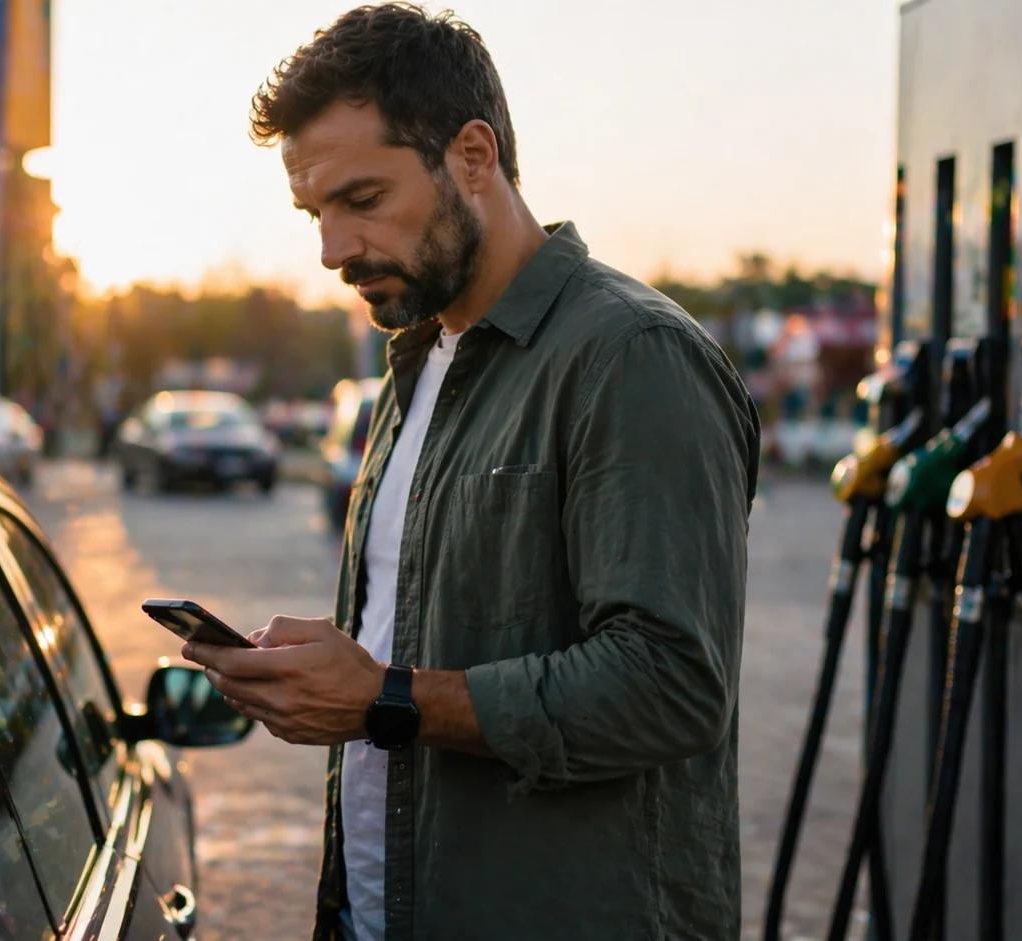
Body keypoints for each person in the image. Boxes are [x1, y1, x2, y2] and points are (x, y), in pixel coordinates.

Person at [179, 5, 761, 940]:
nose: (332, 251)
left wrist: (385, 697)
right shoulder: (416, 363)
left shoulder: (630, 356)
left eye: (362, 201)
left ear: (474, 156)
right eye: (314, 213)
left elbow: (671, 684)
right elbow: (439, 644)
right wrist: (335, 671)